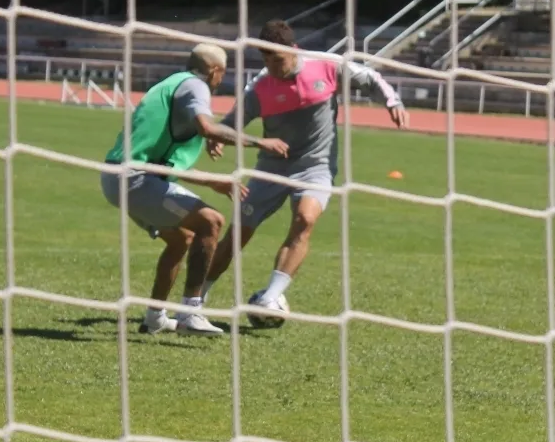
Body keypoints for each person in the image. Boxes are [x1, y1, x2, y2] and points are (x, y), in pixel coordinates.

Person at [204, 19, 409, 326]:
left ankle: (271, 296)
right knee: (239, 233)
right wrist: (218, 138)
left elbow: (370, 78)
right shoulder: (260, 86)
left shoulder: (325, 65)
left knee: (305, 219)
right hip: (271, 168)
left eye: (278, 60)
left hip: (316, 166)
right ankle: (197, 297)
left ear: (294, 50)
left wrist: (392, 100)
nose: (273, 68)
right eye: (267, 61)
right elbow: (233, 122)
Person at [100, 43, 289, 336]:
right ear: (214, 71)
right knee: (211, 221)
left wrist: (211, 180)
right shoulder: (196, 86)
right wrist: (261, 142)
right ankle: (190, 311)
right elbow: (207, 128)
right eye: (222, 74)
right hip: (135, 180)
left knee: (182, 238)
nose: (220, 80)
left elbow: (165, 166)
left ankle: (155, 317)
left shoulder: (171, 83)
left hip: (119, 177)